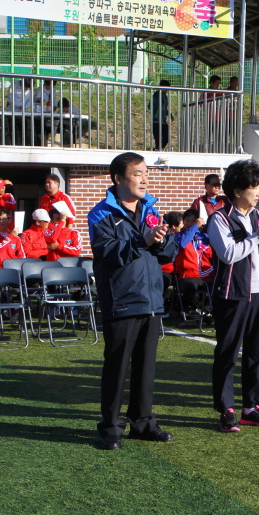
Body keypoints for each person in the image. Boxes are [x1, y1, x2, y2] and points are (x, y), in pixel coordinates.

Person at [88, 152, 178, 450]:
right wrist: (144, 240)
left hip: (151, 300)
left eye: (145, 173)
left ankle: (142, 423)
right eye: (137, 173)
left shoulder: (151, 209)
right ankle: (111, 428)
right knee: (117, 367)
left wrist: (163, 239)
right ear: (118, 178)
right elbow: (109, 252)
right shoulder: (101, 213)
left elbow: (168, 254)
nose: (144, 178)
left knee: (146, 368)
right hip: (123, 301)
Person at [207, 159, 259, 432]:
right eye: (254, 187)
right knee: (228, 353)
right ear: (238, 191)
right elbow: (228, 255)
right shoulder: (219, 218)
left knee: (256, 353)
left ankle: (252, 407)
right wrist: (256, 236)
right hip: (231, 294)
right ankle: (226, 409)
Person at [173, 208, 213, 314]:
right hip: (188, 274)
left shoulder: (204, 237)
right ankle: (200, 308)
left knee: (221, 282)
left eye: (193, 221)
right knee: (190, 287)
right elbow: (182, 244)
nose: (190, 223)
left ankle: (208, 310)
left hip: (206, 273)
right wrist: (195, 226)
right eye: (187, 220)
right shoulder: (178, 236)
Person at [149, 80, 173, 151]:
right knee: (158, 137)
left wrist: (170, 115)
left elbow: (165, 108)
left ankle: (158, 148)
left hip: (163, 120)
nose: (167, 90)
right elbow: (150, 106)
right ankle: (158, 148)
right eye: (166, 88)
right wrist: (158, 108)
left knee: (166, 137)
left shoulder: (164, 96)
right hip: (156, 120)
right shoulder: (156, 95)